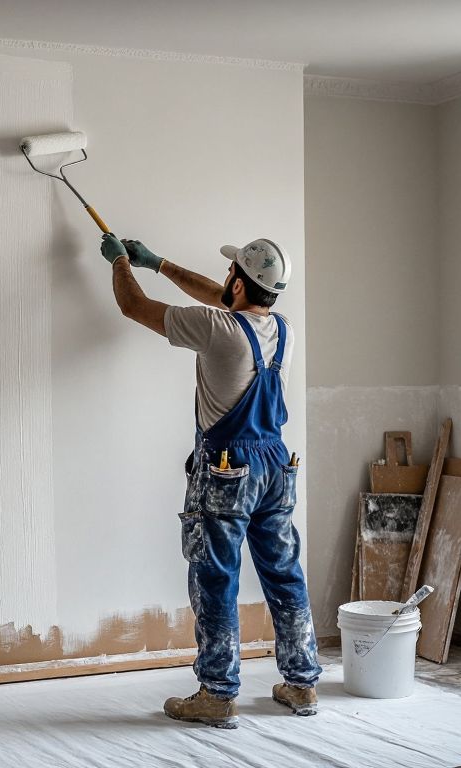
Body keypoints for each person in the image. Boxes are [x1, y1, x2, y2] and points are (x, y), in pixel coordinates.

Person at [100, 233, 321, 730]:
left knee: (215, 577)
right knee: (284, 573)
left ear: (239, 283)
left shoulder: (216, 329)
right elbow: (218, 297)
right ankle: (302, 683)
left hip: (226, 469)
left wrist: (119, 263)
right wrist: (159, 263)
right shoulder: (279, 327)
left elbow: (133, 307)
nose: (223, 281)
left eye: (231, 276)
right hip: (274, 463)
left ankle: (218, 695)